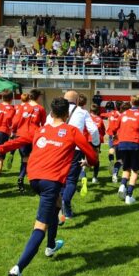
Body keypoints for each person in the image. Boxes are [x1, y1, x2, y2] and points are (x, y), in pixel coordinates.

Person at [0, 97, 98, 276]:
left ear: (51, 113)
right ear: (67, 115)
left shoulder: (40, 130)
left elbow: (17, 141)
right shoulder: (72, 131)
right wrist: (88, 161)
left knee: (57, 203)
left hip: (34, 180)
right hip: (50, 183)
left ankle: (51, 246)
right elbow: (93, 158)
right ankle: (17, 268)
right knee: (39, 228)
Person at [48, 91, 99, 220]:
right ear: (76, 101)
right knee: (71, 179)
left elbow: (46, 127)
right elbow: (93, 130)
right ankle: (66, 202)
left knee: (58, 178)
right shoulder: (82, 112)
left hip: (56, 147)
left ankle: (58, 205)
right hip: (75, 149)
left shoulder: (53, 112)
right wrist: (95, 145)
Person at [110, 95, 139, 204]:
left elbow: (113, 128)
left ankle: (122, 185)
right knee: (134, 171)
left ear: (130, 102)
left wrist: (114, 135)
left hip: (122, 144)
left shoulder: (123, 114)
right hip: (134, 144)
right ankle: (129, 196)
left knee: (126, 168)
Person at [11, 89, 46, 193]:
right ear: (38, 97)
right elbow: (43, 124)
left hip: (21, 136)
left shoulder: (21, 107)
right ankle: (32, 180)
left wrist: (13, 131)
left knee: (25, 158)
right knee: (33, 159)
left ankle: (22, 178)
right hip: (33, 137)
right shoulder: (40, 108)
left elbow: (15, 121)